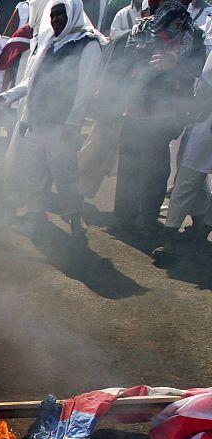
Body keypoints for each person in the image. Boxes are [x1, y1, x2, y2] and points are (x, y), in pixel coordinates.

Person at [0, 0, 104, 237]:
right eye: (53, 15)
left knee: (64, 174)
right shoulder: (51, 43)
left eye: (61, 15)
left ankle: (74, 221)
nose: (56, 20)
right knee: (35, 171)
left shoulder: (87, 44)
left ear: (72, 15)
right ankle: (36, 215)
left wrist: (73, 123)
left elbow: (85, 89)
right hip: (38, 121)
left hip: (61, 125)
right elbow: (32, 80)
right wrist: (5, 97)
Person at [111, 0, 206, 238]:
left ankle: (148, 220)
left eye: (175, 27)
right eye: (165, 27)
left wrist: (176, 65)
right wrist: (157, 66)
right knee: (130, 166)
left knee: (155, 170)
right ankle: (123, 219)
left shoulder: (194, 34)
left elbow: (199, 68)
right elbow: (130, 61)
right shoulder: (142, 28)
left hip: (167, 114)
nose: (169, 32)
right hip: (136, 108)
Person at [151, 51, 212, 264]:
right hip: (205, 120)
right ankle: (172, 235)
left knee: (189, 179)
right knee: (188, 178)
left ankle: (200, 232)